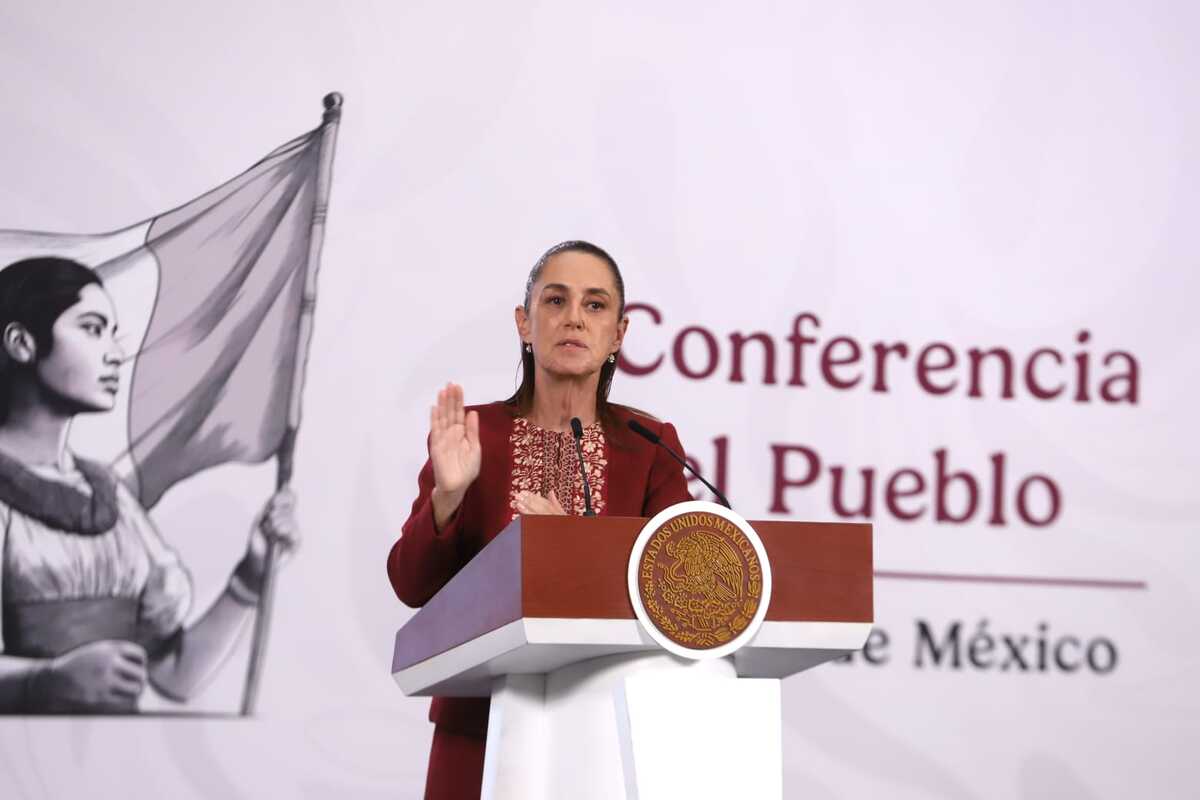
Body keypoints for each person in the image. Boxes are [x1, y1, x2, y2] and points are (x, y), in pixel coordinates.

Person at [386, 240, 693, 799]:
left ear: (618, 334)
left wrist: (579, 550)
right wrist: (448, 497)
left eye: (595, 305)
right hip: (479, 726)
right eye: (555, 301)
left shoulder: (649, 445)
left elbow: (680, 586)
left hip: (608, 726)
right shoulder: (473, 433)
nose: (574, 317)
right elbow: (410, 585)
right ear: (524, 323)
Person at [0, 257, 298, 714]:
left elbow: (176, 676)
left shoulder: (110, 497)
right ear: (22, 343)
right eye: (92, 329)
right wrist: (44, 681)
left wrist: (251, 575)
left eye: (112, 333)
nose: (114, 353)